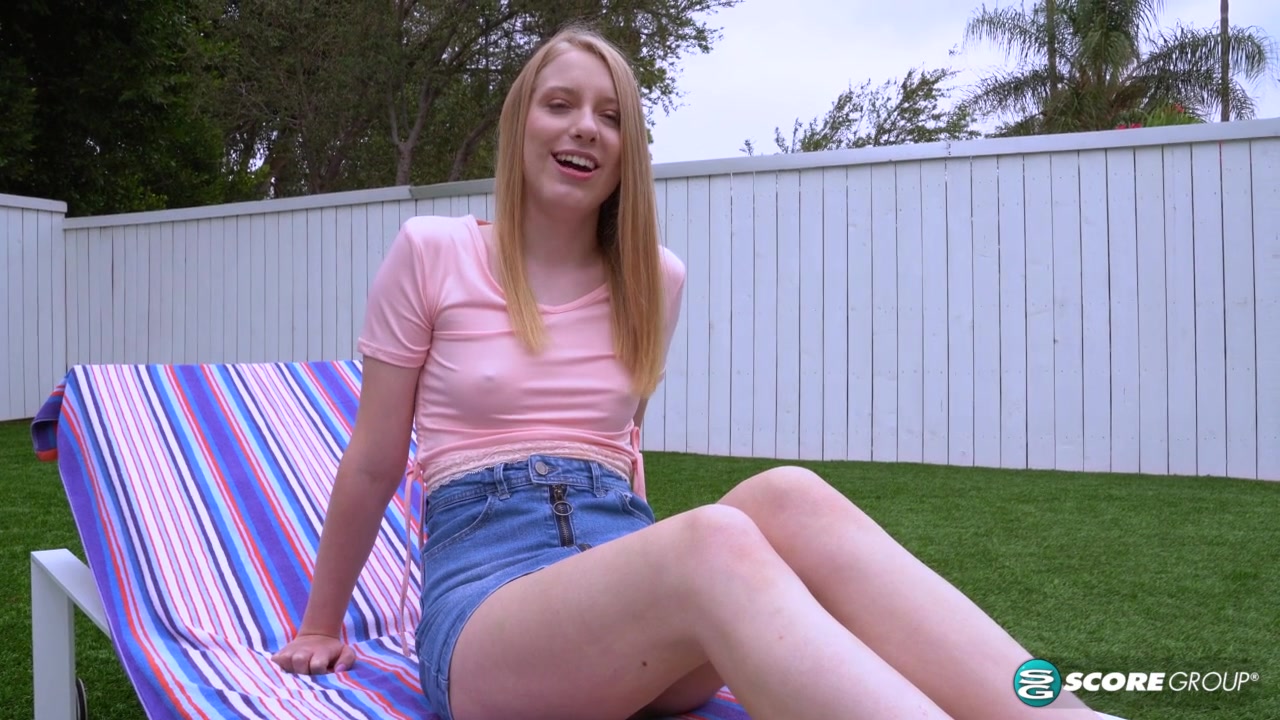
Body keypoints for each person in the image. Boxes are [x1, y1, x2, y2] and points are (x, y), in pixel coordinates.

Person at [271, 24, 1100, 720]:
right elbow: (375, 458)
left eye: (611, 116)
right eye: (560, 105)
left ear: (628, 151)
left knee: (789, 494)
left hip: (627, 585)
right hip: (492, 610)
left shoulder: (654, 279)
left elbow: (624, 456)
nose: (585, 128)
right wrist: (320, 624)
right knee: (713, 539)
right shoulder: (432, 252)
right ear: (519, 123)